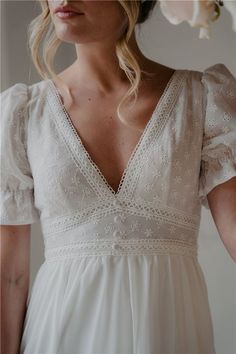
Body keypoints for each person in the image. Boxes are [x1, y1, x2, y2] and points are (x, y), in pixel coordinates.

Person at [1, 1, 236, 354]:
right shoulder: (22, 114)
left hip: (168, 331)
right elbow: (9, 277)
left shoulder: (202, 99)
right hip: (60, 332)